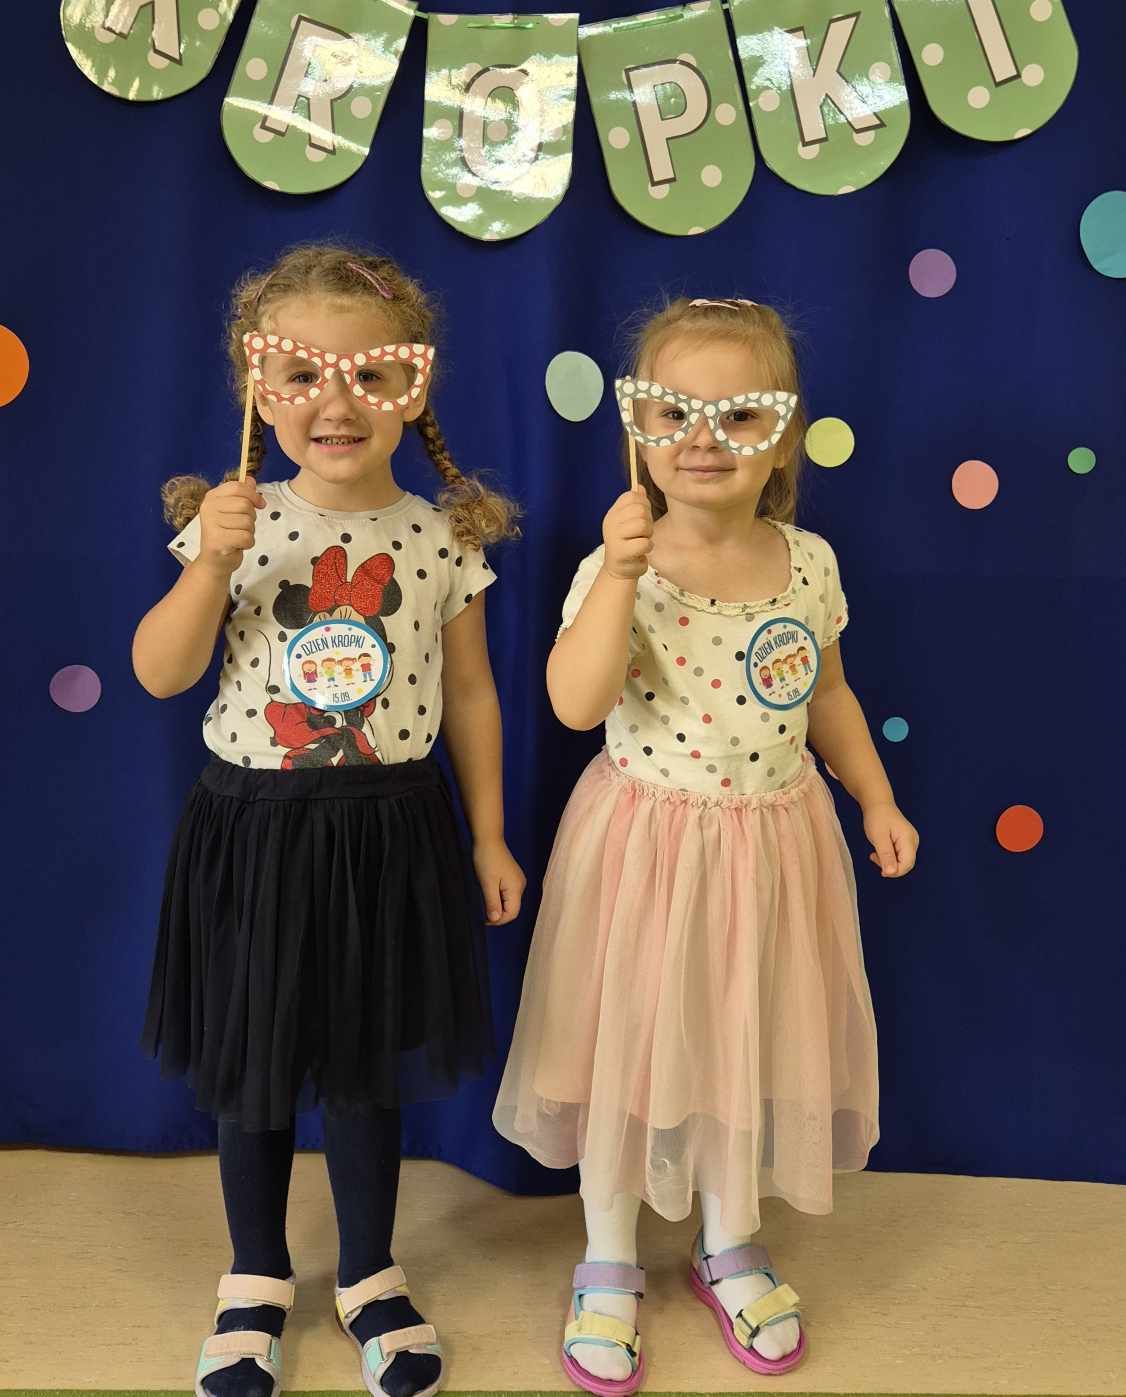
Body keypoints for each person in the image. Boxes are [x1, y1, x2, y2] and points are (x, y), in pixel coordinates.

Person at [493, 295, 918, 1391]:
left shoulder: (808, 561)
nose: (703, 437)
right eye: (672, 411)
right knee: (623, 1051)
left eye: (740, 414)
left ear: (781, 434)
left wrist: (874, 796)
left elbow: (828, 694)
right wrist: (618, 575)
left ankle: (729, 1239)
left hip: (773, 851)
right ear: (636, 427)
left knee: (746, 1040)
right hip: (644, 852)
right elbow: (575, 702)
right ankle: (607, 1255)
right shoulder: (622, 567)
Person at [134, 242, 525, 1397]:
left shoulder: (443, 537)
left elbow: (471, 695)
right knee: (251, 1063)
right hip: (254, 830)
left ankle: (367, 1272)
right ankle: (254, 1276)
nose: (336, 403)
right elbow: (160, 672)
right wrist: (211, 565)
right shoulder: (237, 523)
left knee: (365, 1070)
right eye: (302, 375)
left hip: (389, 831)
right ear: (259, 393)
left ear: (413, 389)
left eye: (369, 374)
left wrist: (488, 835)